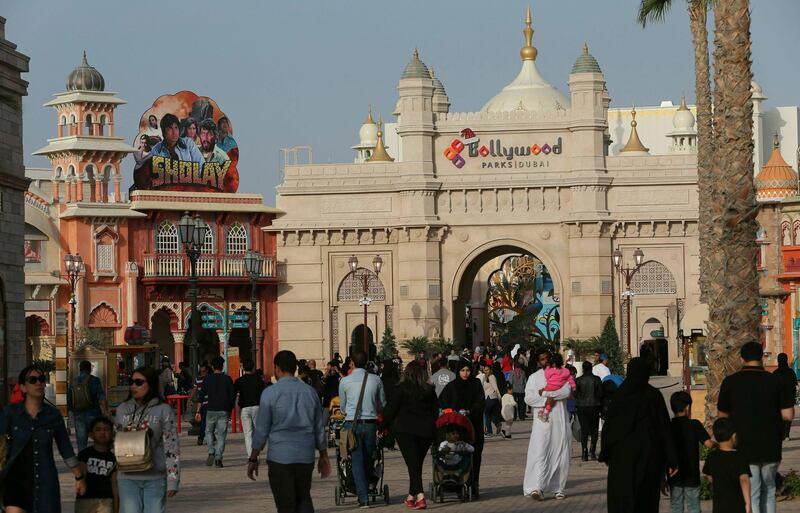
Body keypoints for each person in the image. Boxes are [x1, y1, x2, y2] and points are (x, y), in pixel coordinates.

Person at [248, 350, 331, 513]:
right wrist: (323, 455)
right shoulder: (310, 392)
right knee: (304, 498)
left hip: (280, 457)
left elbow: (262, 429)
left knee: (286, 505)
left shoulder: (270, 393)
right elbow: (318, 428)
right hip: (305, 457)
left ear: (277, 368)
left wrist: (253, 457)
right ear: (294, 368)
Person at [718, 340, 795, 513]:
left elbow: (722, 416)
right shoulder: (775, 381)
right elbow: (788, 414)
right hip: (771, 445)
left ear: (742, 358)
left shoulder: (730, 382)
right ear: (761, 357)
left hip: (744, 446)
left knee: (752, 491)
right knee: (769, 489)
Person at [1, 365, 85, 513]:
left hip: (45, 483)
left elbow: (65, 449)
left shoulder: (53, 415)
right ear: (23, 387)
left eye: (41, 379)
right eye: (32, 380)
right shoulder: (10, 413)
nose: (38, 383)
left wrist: (79, 477)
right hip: (15, 481)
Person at [600, 357, 677, 513]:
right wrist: (671, 459)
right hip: (649, 459)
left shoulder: (620, 396)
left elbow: (609, 429)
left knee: (622, 500)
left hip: (622, 460)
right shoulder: (653, 396)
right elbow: (664, 429)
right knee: (645, 500)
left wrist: (607, 454)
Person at [114, 366, 180, 513]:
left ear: (151, 384)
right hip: (127, 476)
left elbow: (171, 446)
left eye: (139, 382)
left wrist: (173, 480)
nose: (133, 386)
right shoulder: (122, 409)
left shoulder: (163, 410)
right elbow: (115, 443)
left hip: (155, 477)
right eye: (131, 382)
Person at [383, 360, 438, 510]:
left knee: (413, 464)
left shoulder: (401, 389)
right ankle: (410, 496)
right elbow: (435, 411)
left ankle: (420, 496)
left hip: (405, 430)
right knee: (415, 464)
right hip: (426, 432)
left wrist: (382, 426)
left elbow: (390, 410)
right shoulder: (429, 389)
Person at [522, 349, 572, 500]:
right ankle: (536, 487)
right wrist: (546, 401)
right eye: (542, 359)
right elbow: (529, 399)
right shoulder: (533, 377)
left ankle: (558, 487)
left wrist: (546, 394)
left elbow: (566, 391)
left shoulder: (562, 373)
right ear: (538, 361)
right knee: (540, 452)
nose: (545, 361)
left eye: (547, 358)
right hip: (541, 422)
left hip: (559, 420)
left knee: (561, 452)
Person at [339, 351, 386, 508]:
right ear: (367, 363)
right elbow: (382, 403)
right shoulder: (376, 379)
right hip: (370, 424)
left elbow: (343, 407)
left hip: (351, 424)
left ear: (352, 363)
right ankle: (366, 489)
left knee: (357, 459)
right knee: (369, 458)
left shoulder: (344, 381)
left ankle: (363, 497)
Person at [439, 358, 485, 500]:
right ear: (457, 371)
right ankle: (456, 483)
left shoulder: (476, 384)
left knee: (473, 455)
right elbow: (441, 403)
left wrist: (470, 411)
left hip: (473, 426)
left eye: (468, 370)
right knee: (455, 454)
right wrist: (449, 411)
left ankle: (473, 484)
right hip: (456, 429)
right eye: (462, 370)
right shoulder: (452, 386)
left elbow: (480, 401)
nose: (465, 373)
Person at [668, 391, 715, 513]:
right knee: (694, 507)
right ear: (688, 407)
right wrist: (722, 445)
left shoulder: (669, 426)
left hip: (674, 476)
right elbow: (709, 444)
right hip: (692, 476)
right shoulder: (694, 425)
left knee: (676, 508)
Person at [703, 418, 752, 513]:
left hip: (719, 505)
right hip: (737, 505)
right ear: (734, 436)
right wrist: (748, 504)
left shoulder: (712, 456)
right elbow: (744, 480)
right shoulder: (740, 457)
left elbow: (708, 476)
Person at [196, 356, 234, 468]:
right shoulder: (227, 379)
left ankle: (211, 451)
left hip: (210, 409)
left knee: (208, 431)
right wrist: (230, 410)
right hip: (223, 410)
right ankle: (218, 458)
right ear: (222, 366)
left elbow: (201, 397)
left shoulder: (207, 379)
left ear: (212, 366)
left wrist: (198, 411)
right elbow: (232, 397)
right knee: (221, 436)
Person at [75, 416, 118, 513]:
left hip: (106, 501)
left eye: (106, 429)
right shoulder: (84, 454)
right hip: (85, 500)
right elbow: (81, 478)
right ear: (91, 434)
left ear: (112, 434)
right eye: (98, 430)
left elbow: (115, 485)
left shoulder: (113, 458)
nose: (102, 433)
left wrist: (116, 507)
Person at [68, 360, 108, 452]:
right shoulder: (95, 380)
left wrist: (72, 413)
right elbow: (101, 397)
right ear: (90, 369)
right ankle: (98, 460)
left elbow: (69, 401)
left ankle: (83, 462)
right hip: (94, 414)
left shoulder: (73, 382)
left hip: (78, 415)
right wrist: (105, 411)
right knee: (99, 440)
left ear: (80, 369)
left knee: (82, 443)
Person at [235, 359, 265, 457]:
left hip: (245, 408)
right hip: (257, 407)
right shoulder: (259, 380)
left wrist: (237, 406)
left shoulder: (239, 381)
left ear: (243, 368)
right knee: (258, 432)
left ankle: (251, 456)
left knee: (248, 433)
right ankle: (257, 454)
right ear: (253, 368)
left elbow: (234, 394)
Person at [575, 360, 603, 461]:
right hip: (594, 406)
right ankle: (592, 451)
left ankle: (584, 452)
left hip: (582, 407)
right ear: (591, 368)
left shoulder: (578, 380)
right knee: (594, 430)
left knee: (584, 430)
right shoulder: (596, 379)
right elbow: (600, 394)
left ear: (583, 369)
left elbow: (575, 394)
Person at [539, 353, 576, 421]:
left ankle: (542, 409)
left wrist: (547, 368)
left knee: (547, 397)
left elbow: (547, 376)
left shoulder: (551, 370)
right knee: (552, 399)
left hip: (549, 386)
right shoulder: (565, 371)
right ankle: (546, 412)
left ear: (553, 363)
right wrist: (573, 386)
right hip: (558, 387)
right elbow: (570, 378)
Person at [772, 352, 797, 440]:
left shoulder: (775, 373)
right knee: (787, 418)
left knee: (779, 417)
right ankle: (786, 435)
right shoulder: (791, 372)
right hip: (789, 399)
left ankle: (782, 434)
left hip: (778, 400)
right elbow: (794, 385)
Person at [479, 363, 502, 437]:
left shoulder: (492, 377)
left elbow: (495, 387)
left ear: (491, 370)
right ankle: (497, 423)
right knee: (491, 415)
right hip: (490, 398)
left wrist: (499, 396)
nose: (486, 371)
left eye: (487, 370)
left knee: (487, 415)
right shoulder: (485, 377)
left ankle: (489, 431)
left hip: (490, 398)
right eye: (485, 370)